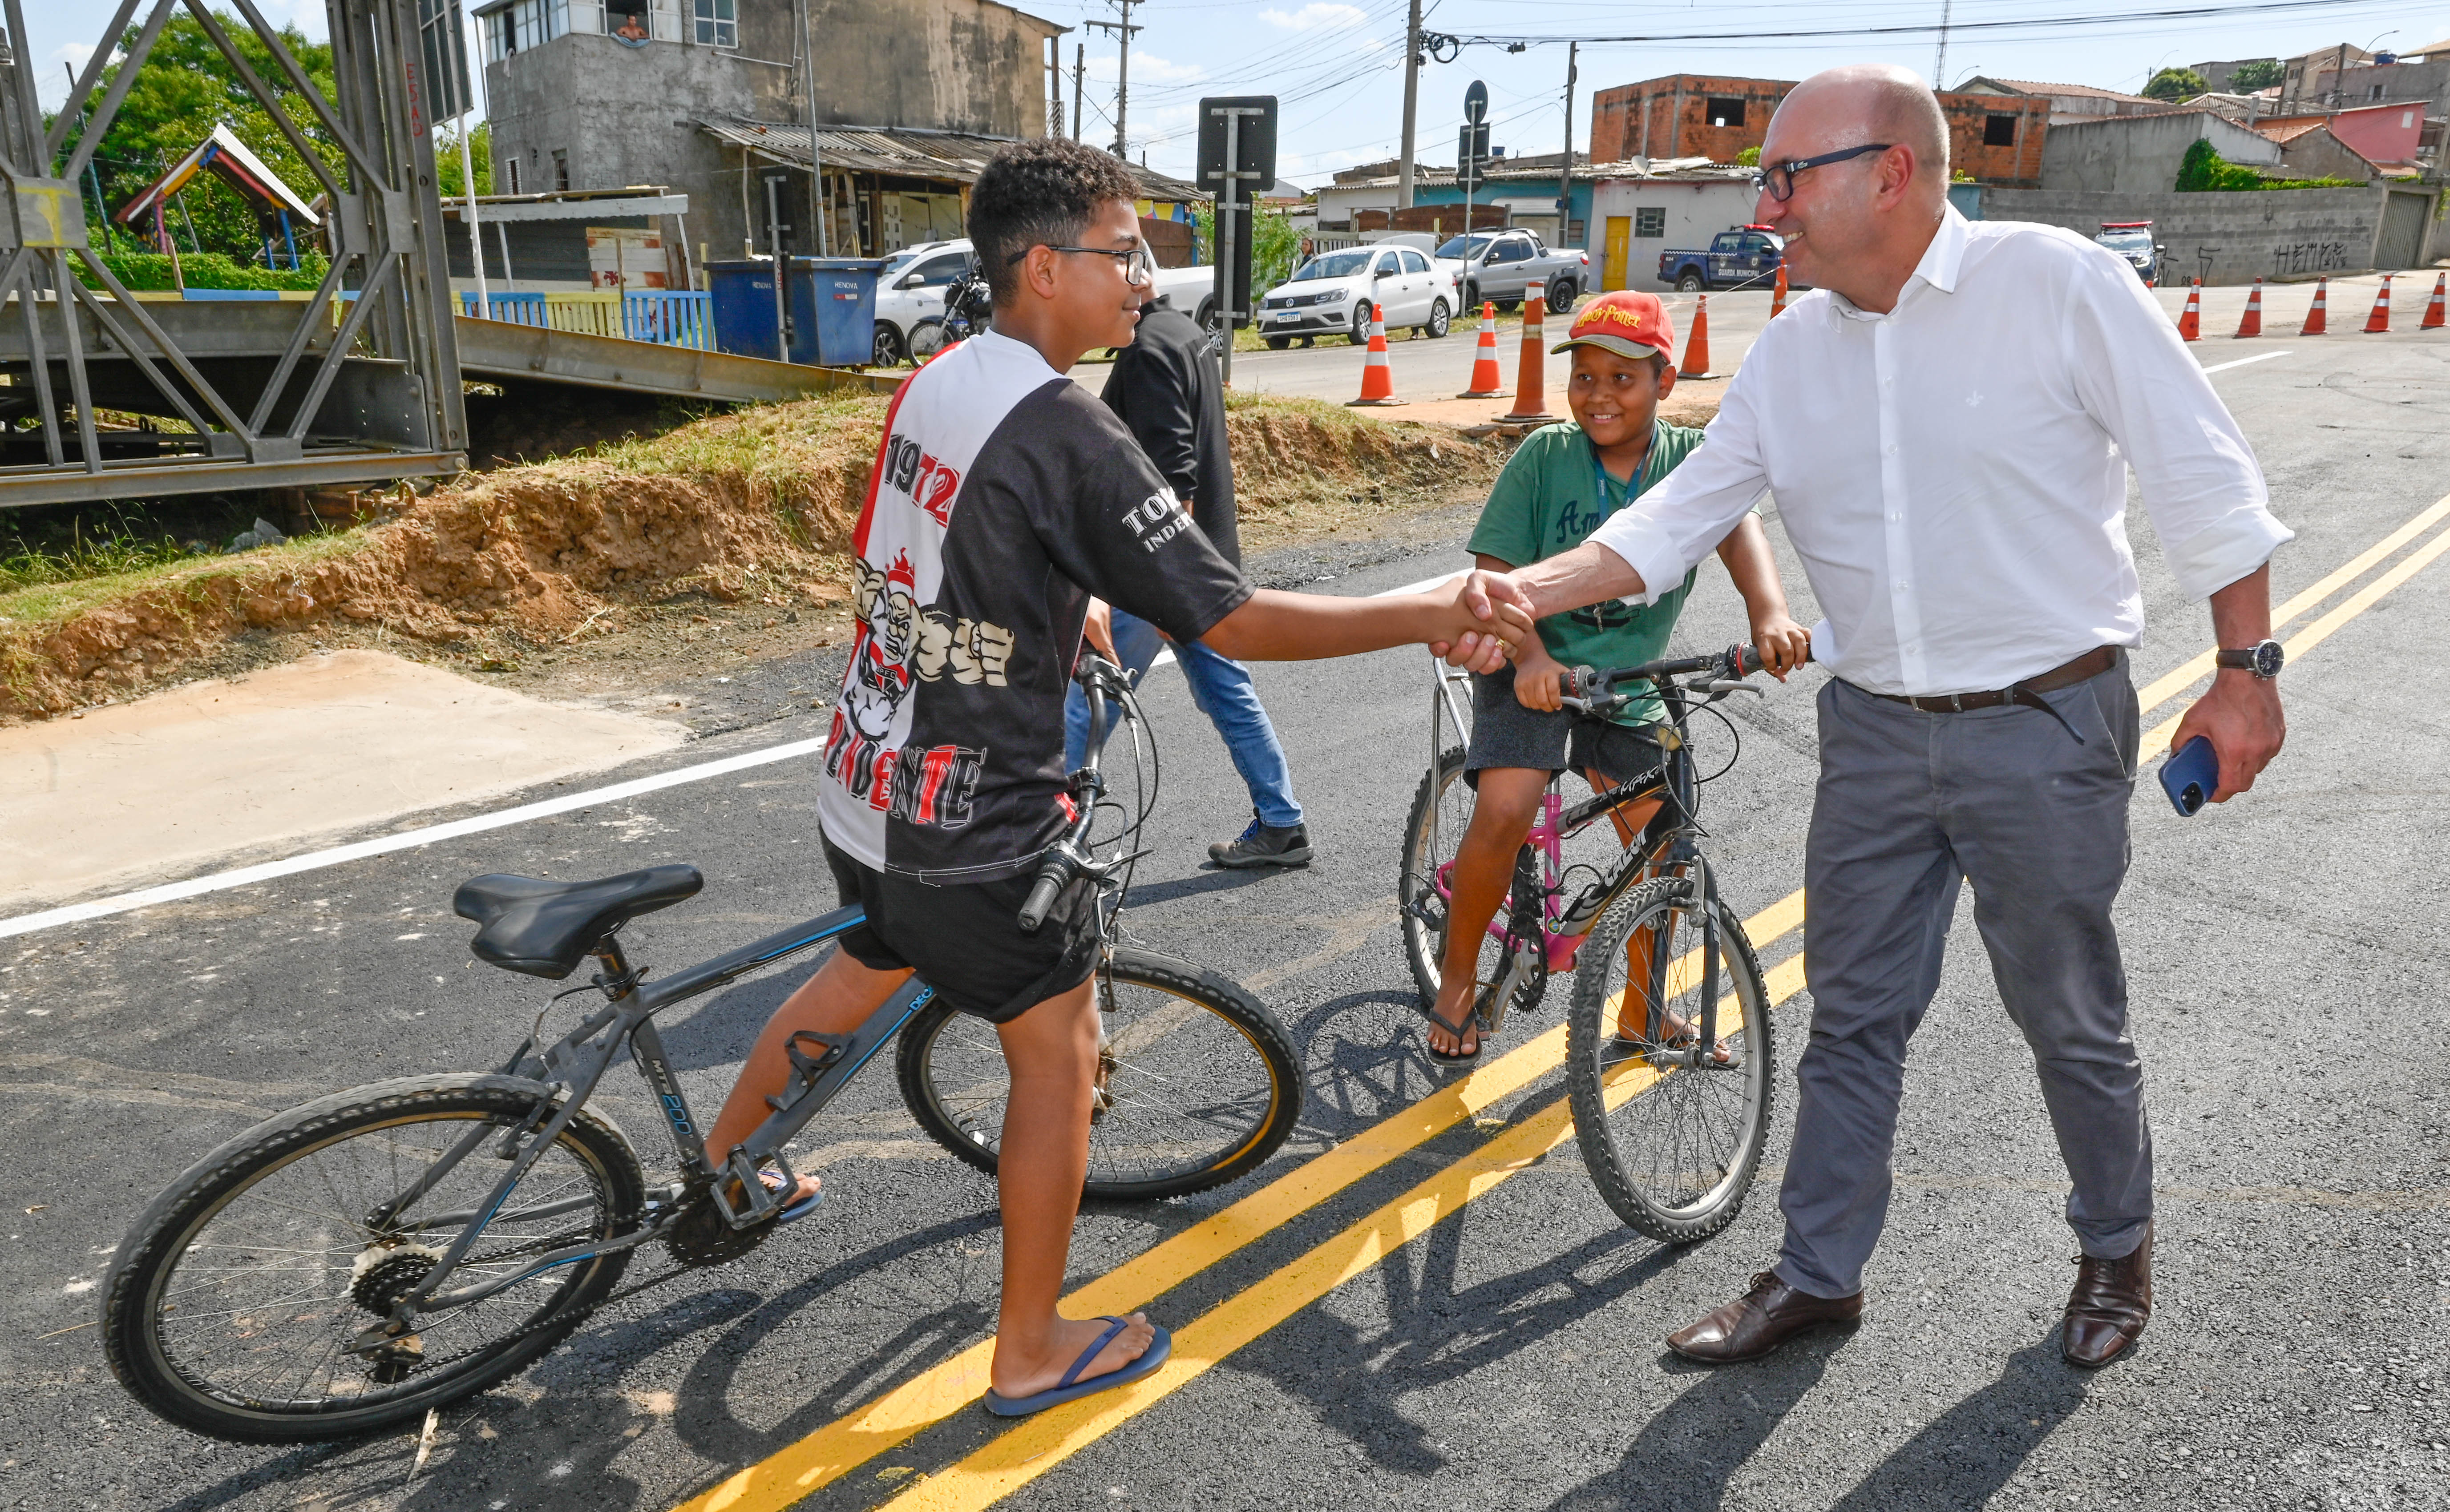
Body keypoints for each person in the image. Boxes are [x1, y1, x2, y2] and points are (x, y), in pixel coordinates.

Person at [1450, 65, 2289, 1370]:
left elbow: (2206, 478)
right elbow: (1671, 521)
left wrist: (2247, 670)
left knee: (2063, 1010)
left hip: (2045, 724)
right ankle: (1818, 1272)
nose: (1765, 203)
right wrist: (1522, 594)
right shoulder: (1793, 349)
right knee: (1852, 1013)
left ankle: (2113, 1247)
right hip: (1877, 735)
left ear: (1888, 172)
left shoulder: (2057, 285)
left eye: (1786, 176)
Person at [695, 138, 1519, 1418]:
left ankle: (727, 1168)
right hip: (978, 820)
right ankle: (1028, 1344)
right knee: (1060, 1055)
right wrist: (1420, 609)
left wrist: (1064, 602)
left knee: (864, 964)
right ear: (1041, 265)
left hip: (866, 783)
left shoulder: (944, 377)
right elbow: (1232, 622)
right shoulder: (1069, 423)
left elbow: (938, 542)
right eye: (1122, 251)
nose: (1145, 276)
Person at [1424, 291, 1807, 1063]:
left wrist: (1769, 613)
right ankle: (1457, 981)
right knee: (1505, 807)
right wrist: (1531, 657)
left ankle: (1642, 1010)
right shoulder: (1542, 458)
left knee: (1664, 843)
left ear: (1664, 383)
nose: (1599, 395)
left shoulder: (1692, 462)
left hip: (1630, 679)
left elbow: (1739, 529)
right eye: (1585, 378)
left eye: (1622, 379)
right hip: (1527, 662)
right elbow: (1493, 580)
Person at [1067, 282, 1314, 870]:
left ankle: (1040, 839)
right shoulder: (1183, 332)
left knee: (1088, 696)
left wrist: (1169, 590)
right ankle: (1282, 823)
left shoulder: (1149, 350)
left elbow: (1175, 479)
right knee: (1226, 692)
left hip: (1162, 570)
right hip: (1200, 562)